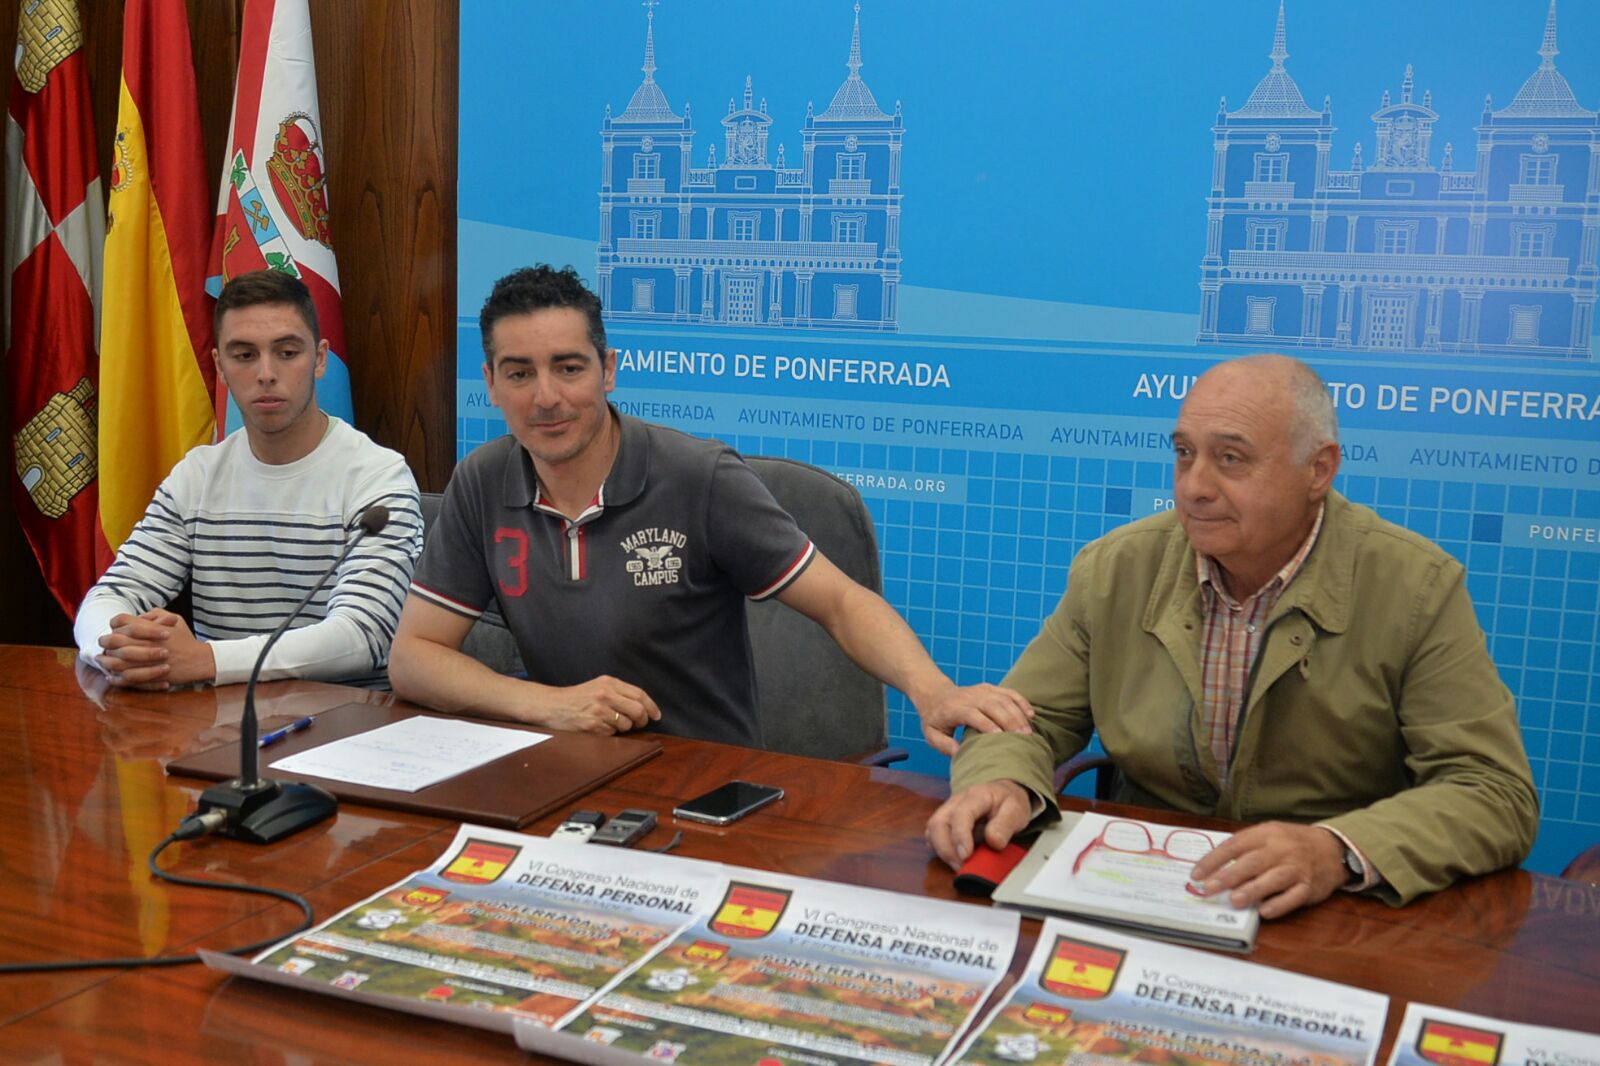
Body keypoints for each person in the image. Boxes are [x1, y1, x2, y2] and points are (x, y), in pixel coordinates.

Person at [925, 354, 1537, 915]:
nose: (1195, 486)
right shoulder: (1117, 568)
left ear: (1318, 469)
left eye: (1231, 458)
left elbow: (1492, 791)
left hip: (1324, 909)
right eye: (1185, 453)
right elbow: (1024, 718)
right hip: (1138, 883)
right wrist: (1002, 780)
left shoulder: (1414, 587)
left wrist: (1336, 850)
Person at [389, 264, 1030, 749]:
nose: (547, 397)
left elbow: (841, 601)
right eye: (520, 373)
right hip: (564, 771)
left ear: (608, 371)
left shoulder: (699, 476)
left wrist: (934, 690)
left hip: (703, 779)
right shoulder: (483, 480)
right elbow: (413, 657)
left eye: (569, 367)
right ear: (491, 384)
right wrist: (546, 705)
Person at [74, 270, 423, 690]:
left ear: (320, 359)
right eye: (244, 356)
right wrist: (118, 650)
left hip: (346, 728)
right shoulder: (197, 476)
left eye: (288, 352)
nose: (266, 373)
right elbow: (110, 594)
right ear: (219, 366)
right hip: (214, 729)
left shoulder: (377, 478)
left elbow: (361, 636)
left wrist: (208, 660)